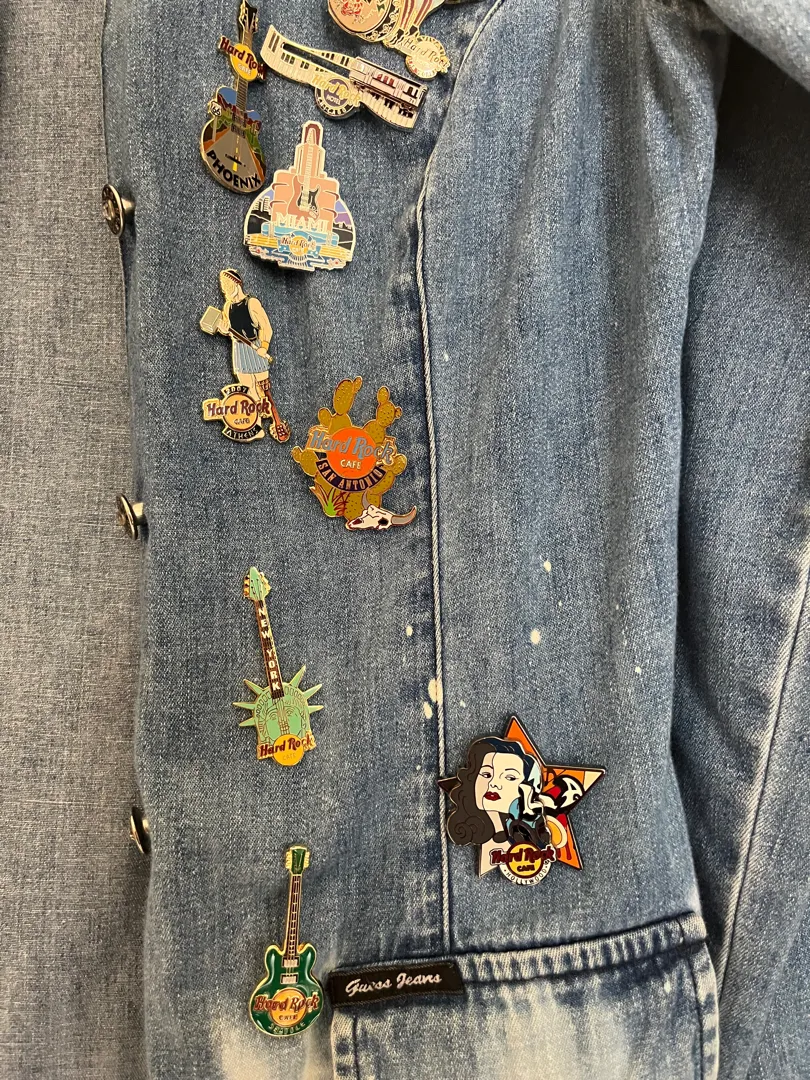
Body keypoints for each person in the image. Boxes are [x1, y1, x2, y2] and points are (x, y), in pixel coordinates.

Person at [446, 736, 551, 875]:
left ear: (527, 789)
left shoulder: (526, 834)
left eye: (510, 777)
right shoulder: (476, 831)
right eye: (486, 774)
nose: (493, 783)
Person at [215, 269, 289, 441]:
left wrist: (264, 345)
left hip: (255, 347)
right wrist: (225, 331)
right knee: (248, 390)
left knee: (264, 390)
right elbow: (231, 332)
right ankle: (258, 425)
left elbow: (266, 327)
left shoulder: (252, 303)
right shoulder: (227, 307)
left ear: (237, 284)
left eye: (228, 285)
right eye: (223, 287)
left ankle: (276, 422)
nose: (225, 290)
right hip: (239, 350)